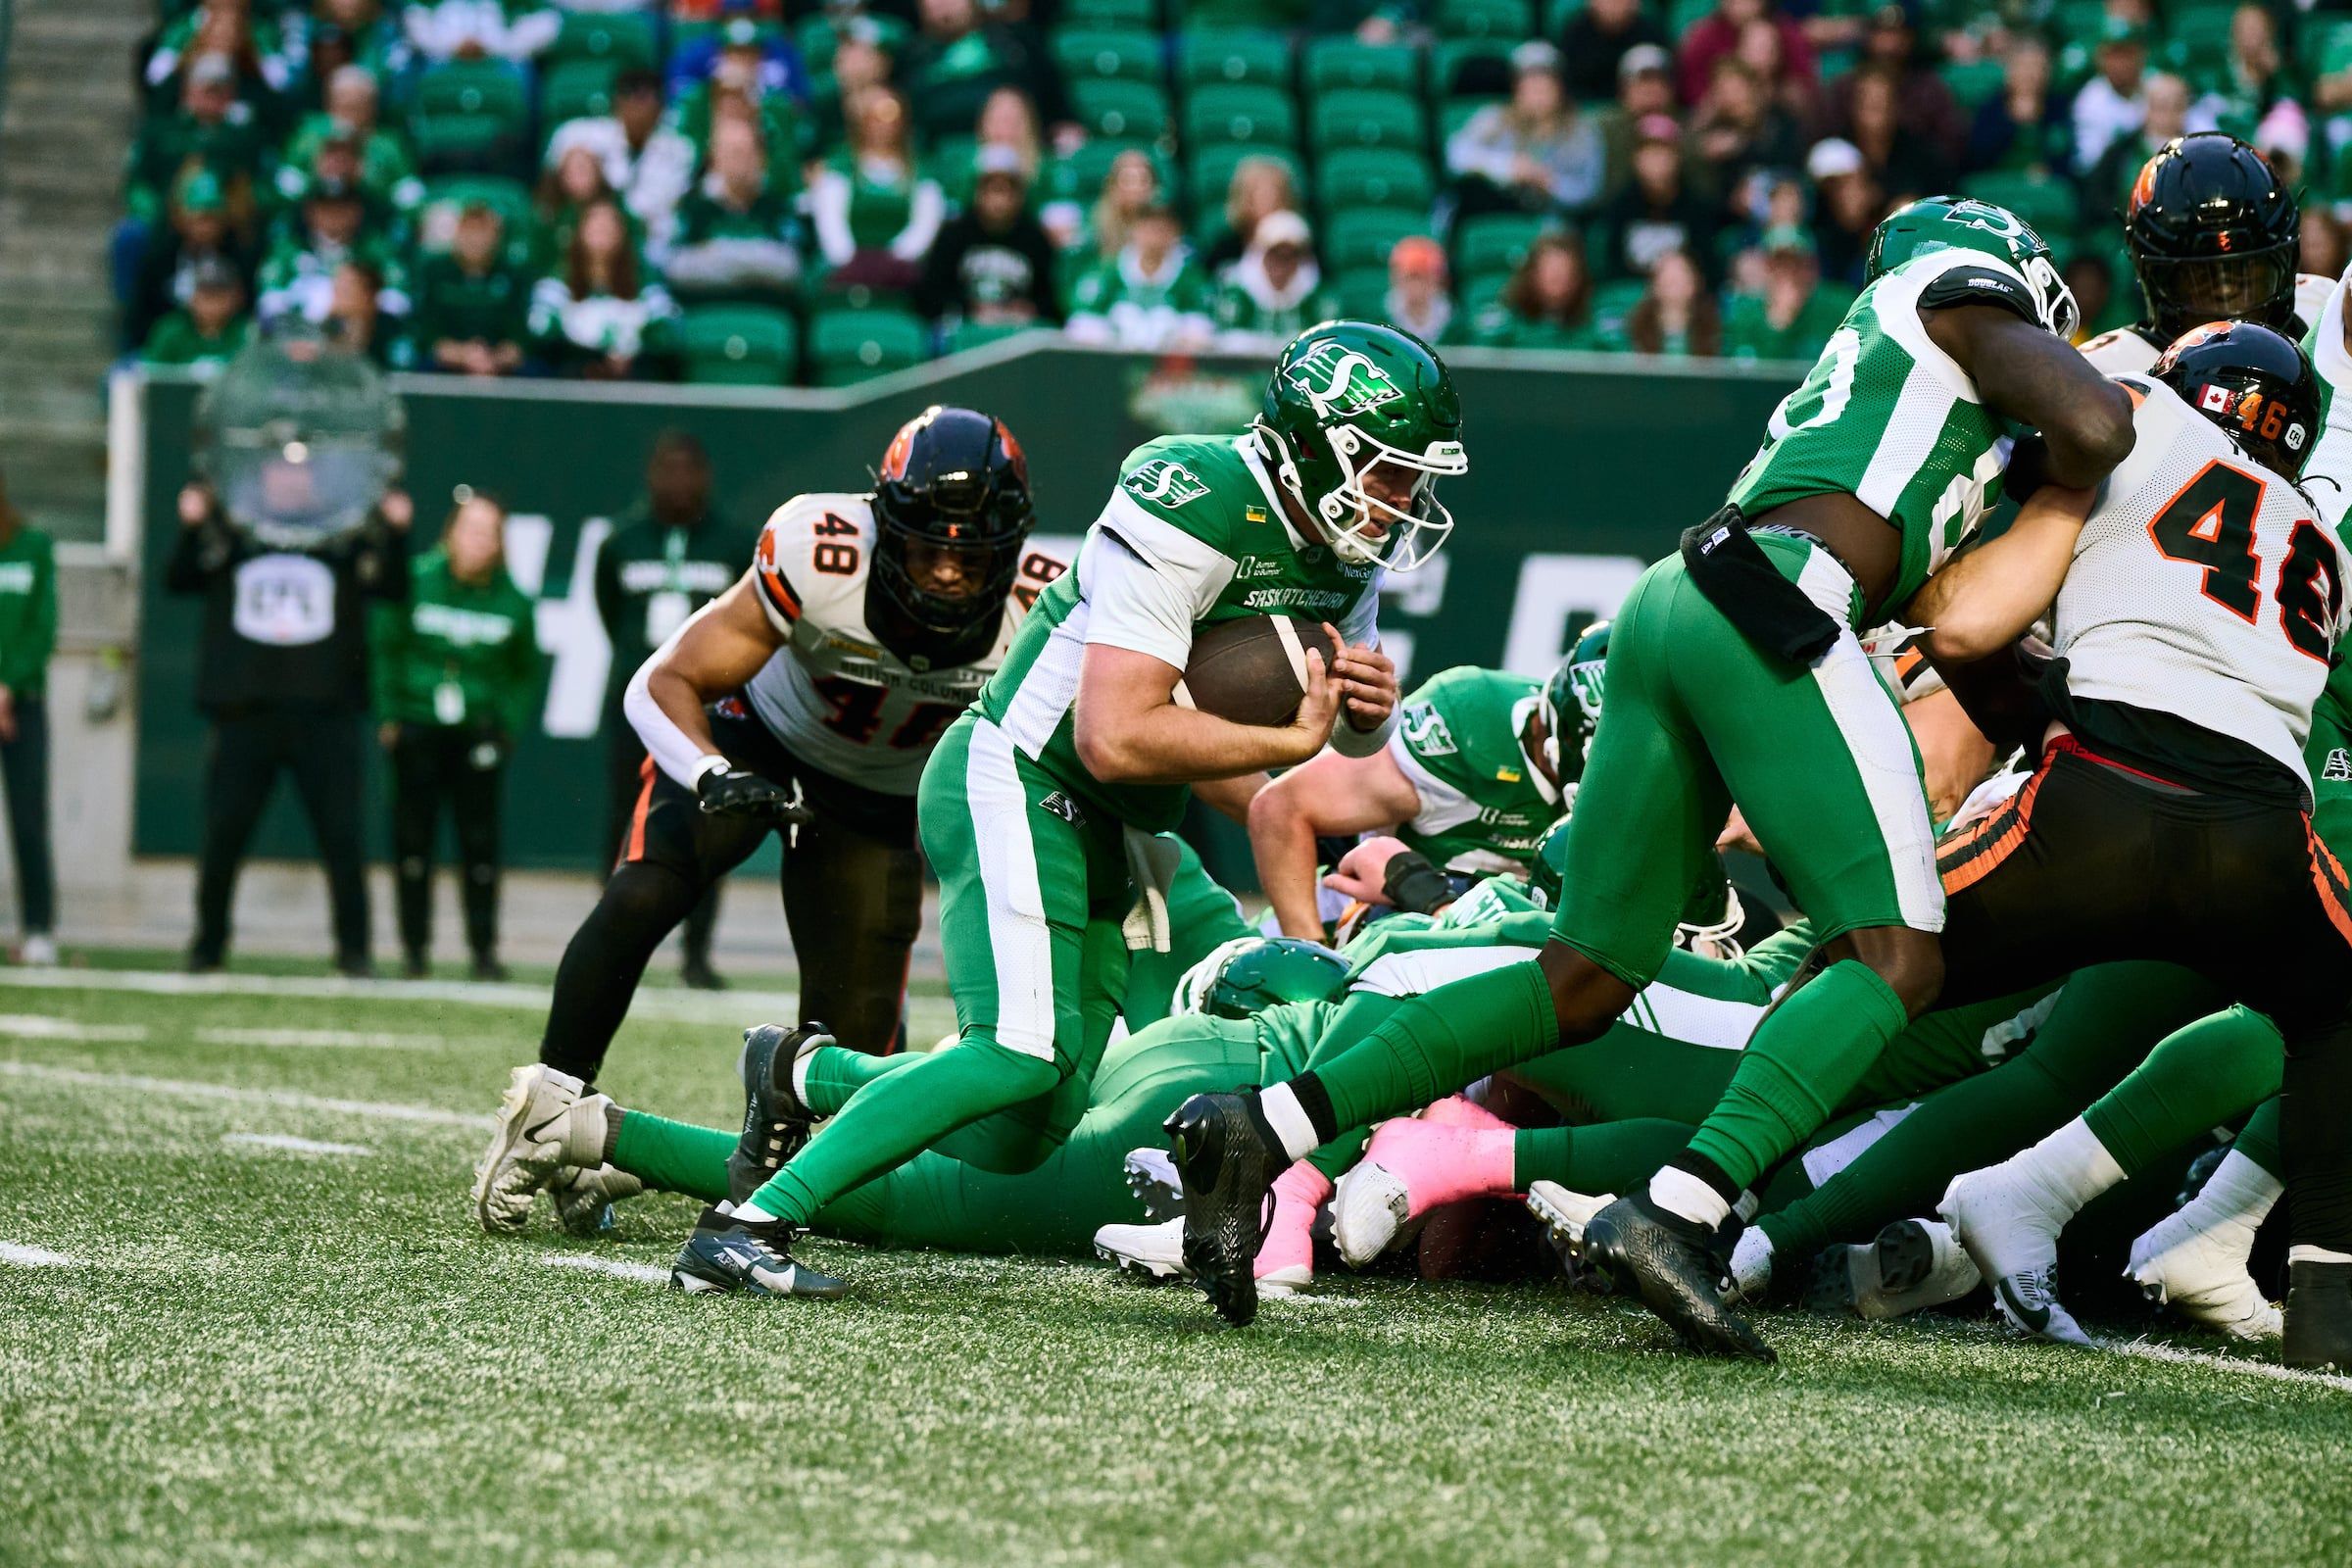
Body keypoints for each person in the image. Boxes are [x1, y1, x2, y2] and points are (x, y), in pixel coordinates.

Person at [1166, 197, 2132, 1339]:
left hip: (1684, 598)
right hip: (1779, 599)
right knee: (1897, 955)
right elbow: (2099, 425)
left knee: (1582, 975)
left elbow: (1959, 637)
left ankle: (1260, 1126)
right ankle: (1682, 1208)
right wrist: (2089, 443)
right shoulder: (1962, 296)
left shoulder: (1909, 400)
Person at [517, 323, 1458, 1299]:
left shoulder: (1346, 554)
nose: (1401, 499)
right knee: (1014, 1049)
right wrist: (1290, 741)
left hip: (1117, 822)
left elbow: (1321, 735)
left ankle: (801, 1078)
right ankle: (745, 1223)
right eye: (1387, 471)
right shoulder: (1192, 495)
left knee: (1027, 1125)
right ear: (1317, 441)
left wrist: (1358, 717)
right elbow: (1115, 735)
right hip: (1022, 774)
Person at [471, 407, 1059, 1230]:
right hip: (761, 739)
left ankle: (624, 1153)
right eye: (930, 548)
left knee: (853, 1057)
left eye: (973, 555)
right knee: (650, 886)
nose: (950, 577)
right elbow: (659, 682)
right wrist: (712, 772)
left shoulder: (1044, 606)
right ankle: (551, 1101)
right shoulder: (820, 552)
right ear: (886, 530)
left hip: (881, 796)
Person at [169, 468, 415, 976]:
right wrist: (191, 526)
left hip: (325, 712)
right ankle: (207, 945)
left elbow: (392, 588)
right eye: (279, 468)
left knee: (343, 837)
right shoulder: (233, 534)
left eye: (304, 469)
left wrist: (396, 533)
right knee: (223, 834)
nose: (290, 481)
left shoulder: (342, 536)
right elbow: (178, 579)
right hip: (247, 710)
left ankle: (354, 950)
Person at [1248, 662, 1573, 942]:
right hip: (1380, 929)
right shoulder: (1475, 728)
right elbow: (1282, 807)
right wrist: (1311, 952)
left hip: (1514, 944)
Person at [369, 489, 543, 979]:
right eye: (471, 529)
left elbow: (523, 671)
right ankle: (414, 949)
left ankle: (483, 950)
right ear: (451, 532)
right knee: (412, 844)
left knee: (480, 847)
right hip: (418, 725)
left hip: (477, 732)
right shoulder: (415, 580)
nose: (478, 542)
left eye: (489, 533)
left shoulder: (513, 600)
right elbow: (384, 648)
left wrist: (506, 727)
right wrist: (389, 716)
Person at [593, 431, 742, 991]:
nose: (678, 482)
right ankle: (610, 940)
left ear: (704, 478)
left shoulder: (731, 542)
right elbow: (610, 608)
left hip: (707, 709)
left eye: (688, 471)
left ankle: (696, 952)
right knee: (624, 821)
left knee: (709, 823)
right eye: (667, 470)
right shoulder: (622, 540)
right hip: (638, 706)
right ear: (651, 477)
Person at [2078, 132, 2327, 375]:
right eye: (2204, 284)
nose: (2230, 319)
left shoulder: (2325, 309)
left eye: (2245, 279)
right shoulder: (2103, 373)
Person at [1445, 41, 1606, 222]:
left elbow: (1590, 189)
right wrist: (1508, 167)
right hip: (1500, 210)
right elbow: (1455, 155)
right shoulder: (1495, 118)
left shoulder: (1581, 132)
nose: (1537, 94)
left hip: (1553, 219)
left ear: (1559, 88)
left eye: (1544, 86)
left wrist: (1550, 182)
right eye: (1530, 85)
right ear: (1517, 88)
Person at [541, 68, 698, 256]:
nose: (637, 108)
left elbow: (663, 206)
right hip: (591, 235)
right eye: (630, 96)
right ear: (617, 102)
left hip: (652, 241)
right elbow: (554, 173)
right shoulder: (583, 133)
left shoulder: (679, 150)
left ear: (660, 106)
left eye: (645, 98)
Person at [0, 472, 59, 966]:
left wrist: (7, 686)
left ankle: (39, 928)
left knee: (28, 817)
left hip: (23, 705)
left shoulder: (33, 546)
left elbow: (42, 627)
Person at [808, 84, 944, 296]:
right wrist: (852, 263)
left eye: (891, 117)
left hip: (901, 273)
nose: (883, 126)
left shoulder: (921, 173)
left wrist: (892, 262)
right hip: (845, 271)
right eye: (875, 117)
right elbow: (831, 226)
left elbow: (923, 227)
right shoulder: (840, 167)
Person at [527, 197, 677, 379]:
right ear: (580, 231)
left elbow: (666, 329)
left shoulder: (646, 281)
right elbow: (540, 329)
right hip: (574, 375)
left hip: (634, 375)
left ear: (623, 232)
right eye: (595, 221)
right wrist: (593, 357)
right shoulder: (557, 281)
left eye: (610, 222)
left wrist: (631, 353)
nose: (602, 227)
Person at [661, 117, 803, 304]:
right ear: (715, 159)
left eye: (748, 153)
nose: (741, 163)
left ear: (762, 158)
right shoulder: (695, 209)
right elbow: (676, 269)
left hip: (765, 311)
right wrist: (758, 259)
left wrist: (715, 255)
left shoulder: (777, 208)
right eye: (733, 154)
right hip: (707, 311)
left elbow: (791, 269)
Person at [918, 146, 1059, 331]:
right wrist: (970, 308)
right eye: (993, 190)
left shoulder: (1035, 239)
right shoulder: (953, 235)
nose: (999, 201)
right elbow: (930, 294)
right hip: (964, 332)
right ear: (978, 192)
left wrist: (1029, 309)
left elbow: (1052, 301)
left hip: (1018, 335)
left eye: (1006, 190)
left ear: (1019, 195)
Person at [1062, 204, 1213, 352]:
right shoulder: (1106, 274)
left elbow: (1200, 333)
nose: (1155, 237)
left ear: (1175, 233)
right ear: (1134, 230)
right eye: (1148, 228)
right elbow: (1081, 327)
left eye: (1162, 229)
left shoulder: (1191, 280)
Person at [411, 201, 529, 376]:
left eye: (483, 232)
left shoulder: (514, 276)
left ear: (497, 237)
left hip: (498, 364)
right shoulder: (434, 272)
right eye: (470, 231)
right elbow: (426, 331)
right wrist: (463, 355)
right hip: (447, 361)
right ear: (457, 234)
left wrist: (493, 359)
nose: (476, 239)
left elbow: (520, 335)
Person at [1209, 211, 1332, 350]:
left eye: (1290, 257)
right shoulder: (1237, 292)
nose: (1281, 265)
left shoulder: (1316, 296)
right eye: (1274, 255)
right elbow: (1225, 341)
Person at [1470, 231, 1600, 350]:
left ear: (1578, 279)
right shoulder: (1507, 331)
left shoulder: (1591, 336)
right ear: (1532, 275)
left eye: (1566, 274)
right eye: (1551, 273)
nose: (1559, 280)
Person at [140, 256, 256, 368]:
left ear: (235, 298)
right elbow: (152, 375)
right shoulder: (169, 330)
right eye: (206, 296)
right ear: (191, 297)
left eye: (219, 296)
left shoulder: (248, 332)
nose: (212, 306)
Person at [1197, 156, 1298, 279]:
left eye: (1275, 193)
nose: (1268, 201)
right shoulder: (1225, 252)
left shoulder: (1300, 251)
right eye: (1260, 193)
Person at [1620, 249, 1721, 357]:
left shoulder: (1715, 328)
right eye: (1665, 273)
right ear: (1653, 285)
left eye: (1681, 272)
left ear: (1696, 282)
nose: (1673, 278)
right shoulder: (1633, 327)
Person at [1383, 236, 1454, 346]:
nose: (1416, 286)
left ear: (1436, 281)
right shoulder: (1381, 318)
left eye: (1423, 278)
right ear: (1397, 280)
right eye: (1411, 278)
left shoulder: (1455, 323)